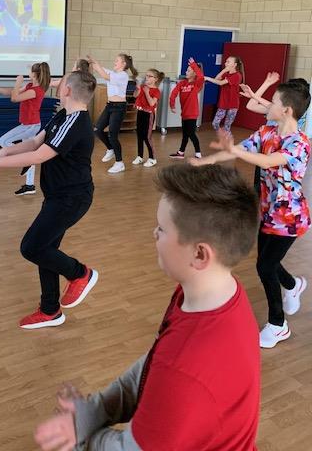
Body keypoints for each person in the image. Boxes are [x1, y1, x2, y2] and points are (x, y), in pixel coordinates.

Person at [34, 163, 260, 450]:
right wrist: (96, 410)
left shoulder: (185, 366)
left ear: (200, 254)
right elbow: (155, 364)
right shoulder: (212, 292)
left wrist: (78, 435)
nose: (154, 233)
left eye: (162, 229)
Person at [0, 71, 98, 329]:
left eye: (60, 82)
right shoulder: (62, 116)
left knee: (32, 247)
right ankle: (50, 310)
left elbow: (39, 156)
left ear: (67, 90)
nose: (55, 85)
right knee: (46, 249)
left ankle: (80, 273)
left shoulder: (76, 123)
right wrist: (5, 151)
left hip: (71, 199)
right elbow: (34, 143)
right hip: (57, 196)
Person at [192, 81, 311, 348]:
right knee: (267, 260)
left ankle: (278, 325)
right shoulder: (266, 131)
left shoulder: (299, 143)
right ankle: (293, 285)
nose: (268, 105)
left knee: (265, 266)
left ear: (287, 110)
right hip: (268, 211)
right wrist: (203, 162)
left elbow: (269, 161)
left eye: (274, 102)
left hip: (290, 217)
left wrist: (235, 151)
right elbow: (241, 149)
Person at [0, 62, 51, 196]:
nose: (28, 73)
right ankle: (29, 185)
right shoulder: (30, 86)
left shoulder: (35, 90)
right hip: (29, 124)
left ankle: (26, 159)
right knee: (29, 152)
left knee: (3, 141)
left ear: (34, 74)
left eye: (30, 71)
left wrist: (18, 82)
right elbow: (13, 92)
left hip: (30, 126)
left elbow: (14, 98)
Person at [88, 53, 138, 174]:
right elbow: (99, 68)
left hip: (119, 108)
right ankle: (110, 149)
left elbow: (104, 75)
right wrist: (91, 61)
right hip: (110, 106)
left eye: (117, 60)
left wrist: (96, 63)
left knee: (112, 135)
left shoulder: (123, 75)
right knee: (97, 129)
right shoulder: (113, 73)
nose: (114, 62)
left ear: (124, 64)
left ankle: (119, 163)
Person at [169, 57, 204, 159]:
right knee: (185, 134)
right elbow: (173, 93)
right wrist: (172, 105)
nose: (186, 72)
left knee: (191, 134)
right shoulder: (182, 83)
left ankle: (198, 153)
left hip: (192, 113)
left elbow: (201, 77)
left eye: (189, 71)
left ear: (194, 73)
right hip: (184, 113)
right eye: (187, 70)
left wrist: (193, 65)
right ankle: (181, 152)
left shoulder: (196, 84)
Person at [132, 69, 164, 168]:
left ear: (155, 79)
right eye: (146, 75)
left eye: (150, 76)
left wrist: (147, 92)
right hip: (140, 113)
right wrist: (138, 89)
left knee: (147, 137)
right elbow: (135, 95)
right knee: (139, 135)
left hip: (148, 115)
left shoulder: (156, 91)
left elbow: (151, 103)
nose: (147, 77)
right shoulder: (143, 87)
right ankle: (140, 156)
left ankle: (152, 158)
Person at [205, 55, 244, 133]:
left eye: (228, 62)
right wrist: (223, 71)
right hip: (223, 103)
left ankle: (227, 139)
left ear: (235, 64)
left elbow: (220, 83)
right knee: (215, 123)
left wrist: (207, 78)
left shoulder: (237, 75)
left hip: (233, 105)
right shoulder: (225, 74)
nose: (226, 63)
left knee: (227, 127)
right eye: (226, 61)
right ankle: (223, 136)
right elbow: (216, 79)